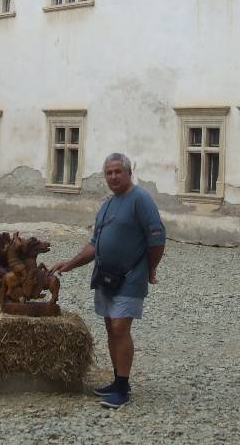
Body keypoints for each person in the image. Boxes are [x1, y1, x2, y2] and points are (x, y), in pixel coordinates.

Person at [50, 153, 166, 410]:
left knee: (120, 328)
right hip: (106, 277)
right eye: (109, 173)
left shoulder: (140, 199)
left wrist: (151, 269)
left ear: (129, 173)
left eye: (117, 171)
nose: (113, 177)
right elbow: (94, 244)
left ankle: (123, 390)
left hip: (131, 276)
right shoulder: (108, 205)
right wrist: (70, 263)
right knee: (110, 329)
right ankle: (117, 380)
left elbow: (157, 239)